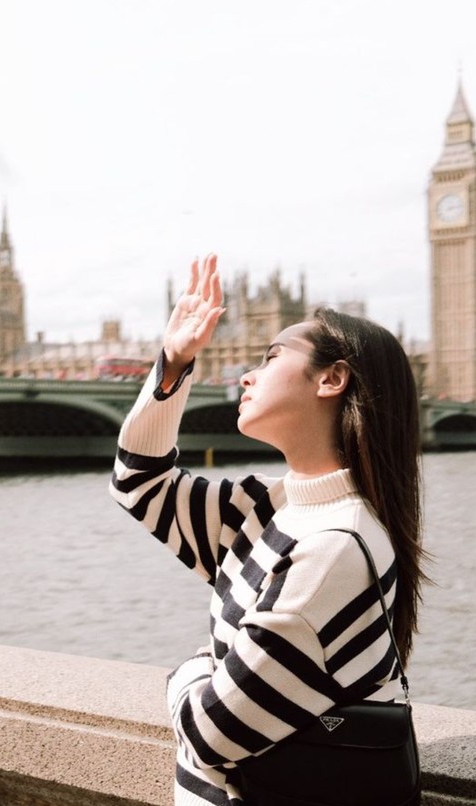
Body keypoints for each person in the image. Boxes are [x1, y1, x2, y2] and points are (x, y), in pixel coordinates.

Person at [110, 254, 426, 805]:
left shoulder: (333, 549)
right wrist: (173, 362)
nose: (244, 375)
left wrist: (189, 670)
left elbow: (211, 734)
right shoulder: (269, 506)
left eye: (271, 356)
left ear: (332, 378)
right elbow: (139, 483)